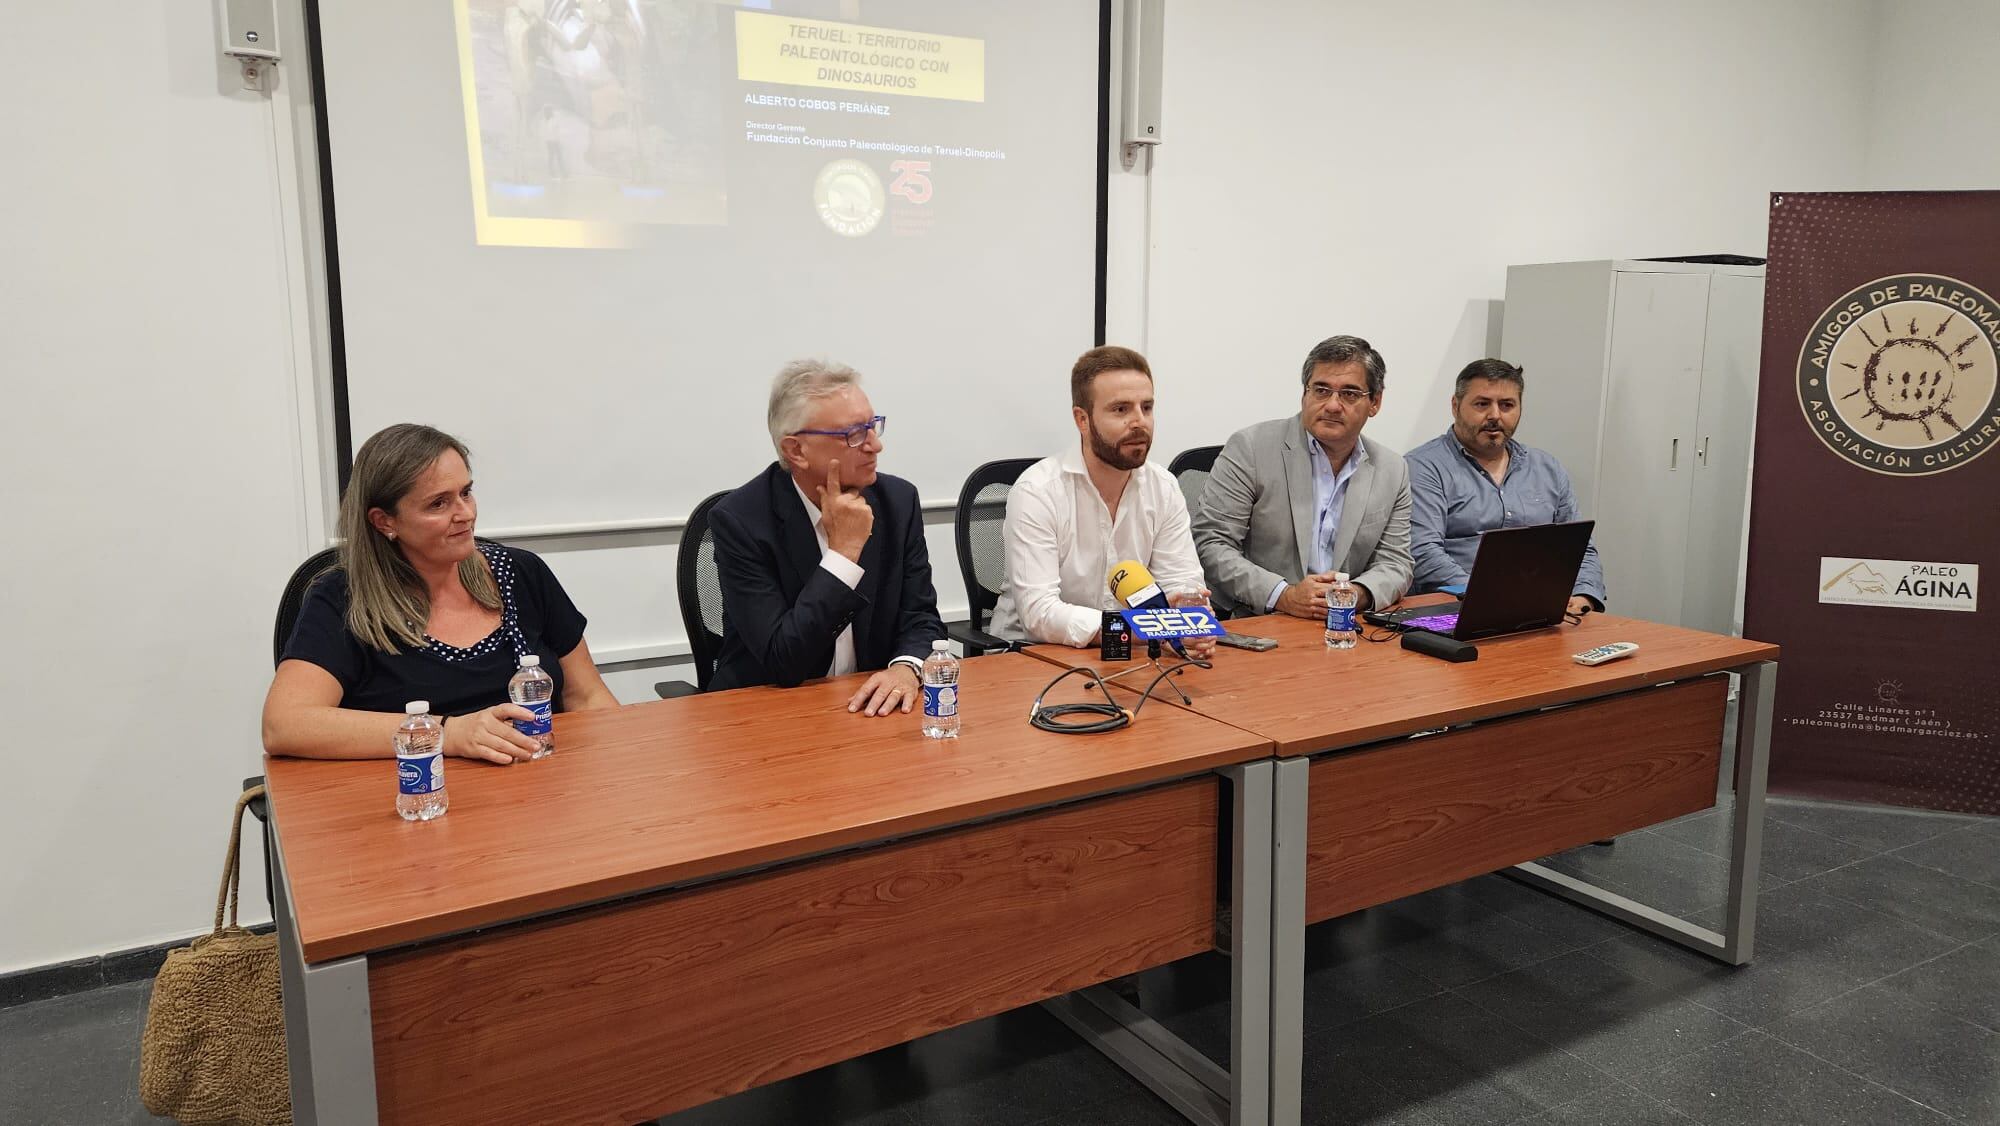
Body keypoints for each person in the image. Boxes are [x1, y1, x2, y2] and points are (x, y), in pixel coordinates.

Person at [263, 424, 618, 762]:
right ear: (384, 521)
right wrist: (448, 733)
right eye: (438, 504)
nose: (465, 514)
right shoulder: (343, 598)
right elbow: (284, 725)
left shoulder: (523, 573)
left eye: (466, 493)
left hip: (539, 787)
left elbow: (587, 695)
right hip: (421, 795)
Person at [708, 359, 946, 712]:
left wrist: (906, 668)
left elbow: (921, 616)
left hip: (866, 706)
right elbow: (783, 661)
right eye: (853, 434)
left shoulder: (897, 502)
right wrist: (843, 554)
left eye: (873, 426)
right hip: (768, 712)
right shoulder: (741, 521)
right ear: (796, 451)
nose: (874, 446)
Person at [988, 346, 1215, 659]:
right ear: (1082, 419)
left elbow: (1182, 579)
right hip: (1032, 656)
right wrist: (1143, 628)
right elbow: (1040, 613)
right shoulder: (1037, 491)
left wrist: (1186, 615)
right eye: (1121, 410)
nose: (1140, 422)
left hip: (1130, 655)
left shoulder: (1163, 487)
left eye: (1146, 407)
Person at [1192, 335, 1413, 618]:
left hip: (1348, 624)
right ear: (1304, 394)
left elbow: (1396, 562)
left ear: (1375, 402)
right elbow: (1212, 544)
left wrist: (1357, 594)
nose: (1333, 405)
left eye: (1349, 394)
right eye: (1321, 390)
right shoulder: (1251, 448)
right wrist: (1284, 595)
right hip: (1264, 622)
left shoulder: (1392, 469)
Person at [1406, 358, 1606, 615]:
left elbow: (1580, 547)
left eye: (1507, 405)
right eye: (1482, 404)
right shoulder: (1424, 466)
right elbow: (1422, 552)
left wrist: (1583, 594)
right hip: (1452, 611)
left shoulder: (1547, 469)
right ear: (1455, 406)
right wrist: (1493, 598)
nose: (1495, 415)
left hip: (1543, 614)